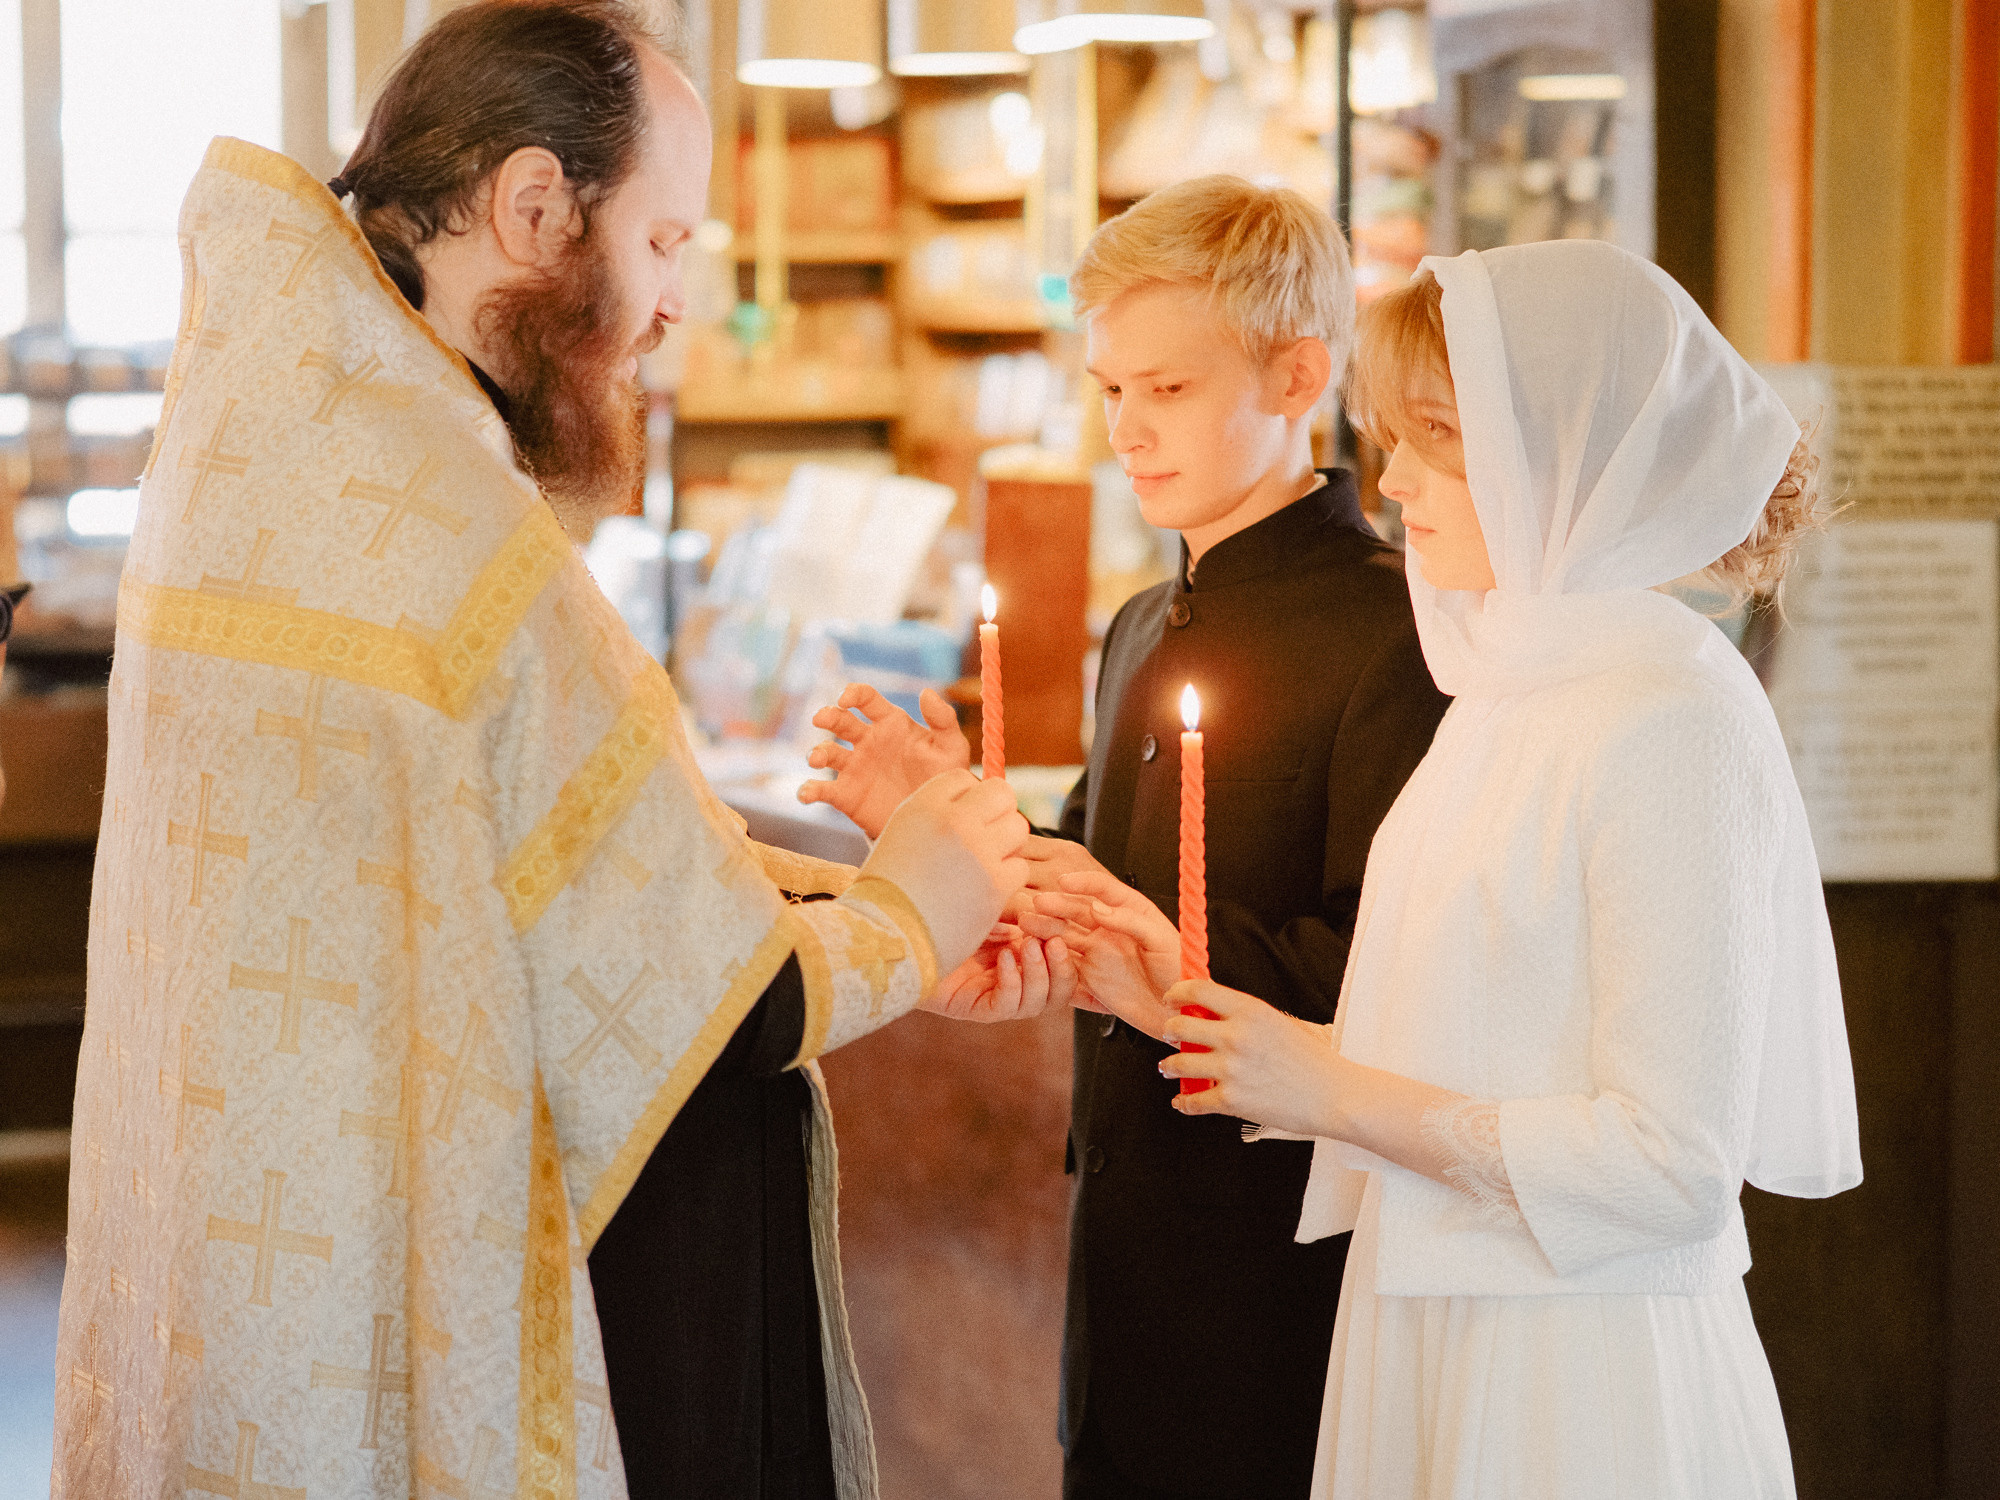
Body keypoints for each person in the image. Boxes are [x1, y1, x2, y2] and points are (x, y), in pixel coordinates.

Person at [50, 6, 1030, 1499]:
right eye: (664, 243)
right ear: (531, 206)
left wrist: (838, 891)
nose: (672, 305)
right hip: (407, 1252)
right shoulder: (445, 515)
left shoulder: (265, 428)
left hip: (265, 1251)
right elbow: (703, 988)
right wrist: (911, 915)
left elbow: (535, 850)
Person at [1051, 240, 1863, 1498]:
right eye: (1389, 434)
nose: (1392, 480)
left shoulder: (1665, 711)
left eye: (1438, 438)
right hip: (1426, 1302)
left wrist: (1328, 1090)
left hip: (1566, 1358)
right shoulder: (1500, 680)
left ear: (1565, 451)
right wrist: (1170, 985)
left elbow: (1673, 1165)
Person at [798, 176, 1449, 1499]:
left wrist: (1123, 941)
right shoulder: (1142, 624)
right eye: (1110, 390)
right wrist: (954, 819)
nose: (1127, 431)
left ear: (1297, 376)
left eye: (1168, 390)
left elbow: (1387, 980)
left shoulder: (1397, 636)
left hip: (1283, 1251)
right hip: (1123, 1233)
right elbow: (1101, 876)